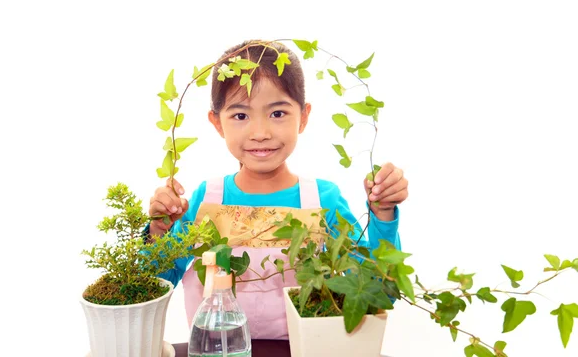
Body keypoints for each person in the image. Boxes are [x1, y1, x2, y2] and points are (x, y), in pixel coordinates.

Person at [147, 40, 409, 340]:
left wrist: (383, 213)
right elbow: (153, 287)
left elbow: (377, 292)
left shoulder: (323, 200)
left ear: (304, 116)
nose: (261, 133)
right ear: (217, 123)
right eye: (241, 116)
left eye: (278, 113)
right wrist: (158, 230)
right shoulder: (204, 201)